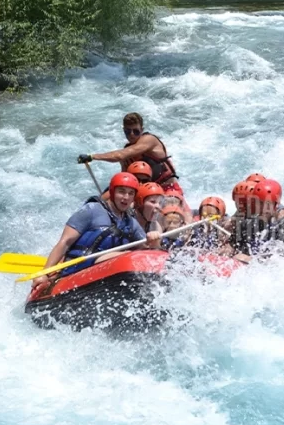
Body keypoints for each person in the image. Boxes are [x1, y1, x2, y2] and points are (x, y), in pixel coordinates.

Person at [31, 172, 161, 291]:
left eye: (130, 193)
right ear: (112, 192)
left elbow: (147, 251)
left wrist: (154, 240)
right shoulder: (92, 210)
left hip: (105, 272)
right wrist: (45, 273)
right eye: (121, 192)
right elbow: (65, 242)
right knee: (128, 255)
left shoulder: (131, 222)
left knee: (132, 255)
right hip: (78, 268)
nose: (126, 197)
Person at [77, 112, 182, 193]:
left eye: (136, 131)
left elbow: (119, 155)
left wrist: (92, 157)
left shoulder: (149, 140)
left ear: (142, 130)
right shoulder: (127, 152)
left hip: (168, 189)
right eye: (128, 131)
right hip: (145, 194)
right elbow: (125, 177)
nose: (131, 134)